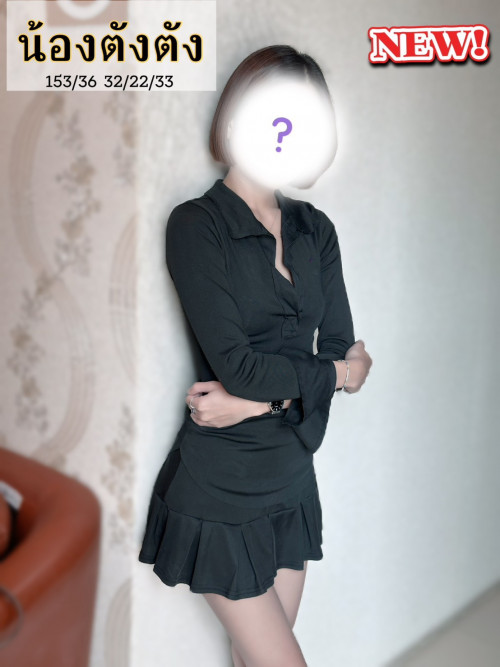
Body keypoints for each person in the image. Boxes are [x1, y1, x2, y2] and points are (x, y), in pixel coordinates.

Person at [138, 44, 373, 667]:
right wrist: (335, 376)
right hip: (221, 484)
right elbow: (246, 368)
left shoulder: (316, 229)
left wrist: (258, 402)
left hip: (291, 477)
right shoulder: (197, 225)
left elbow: (340, 343)